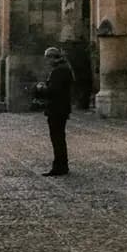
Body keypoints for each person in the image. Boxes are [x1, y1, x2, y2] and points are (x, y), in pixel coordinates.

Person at [39, 47, 73, 176]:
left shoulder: (59, 71)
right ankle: (61, 164)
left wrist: (42, 88)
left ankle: (60, 166)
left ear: (53, 58)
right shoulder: (63, 70)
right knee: (59, 137)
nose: (46, 61)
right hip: (61, 109)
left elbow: (54, 91)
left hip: (57, 109)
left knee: (57, 138)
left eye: (47, 58)